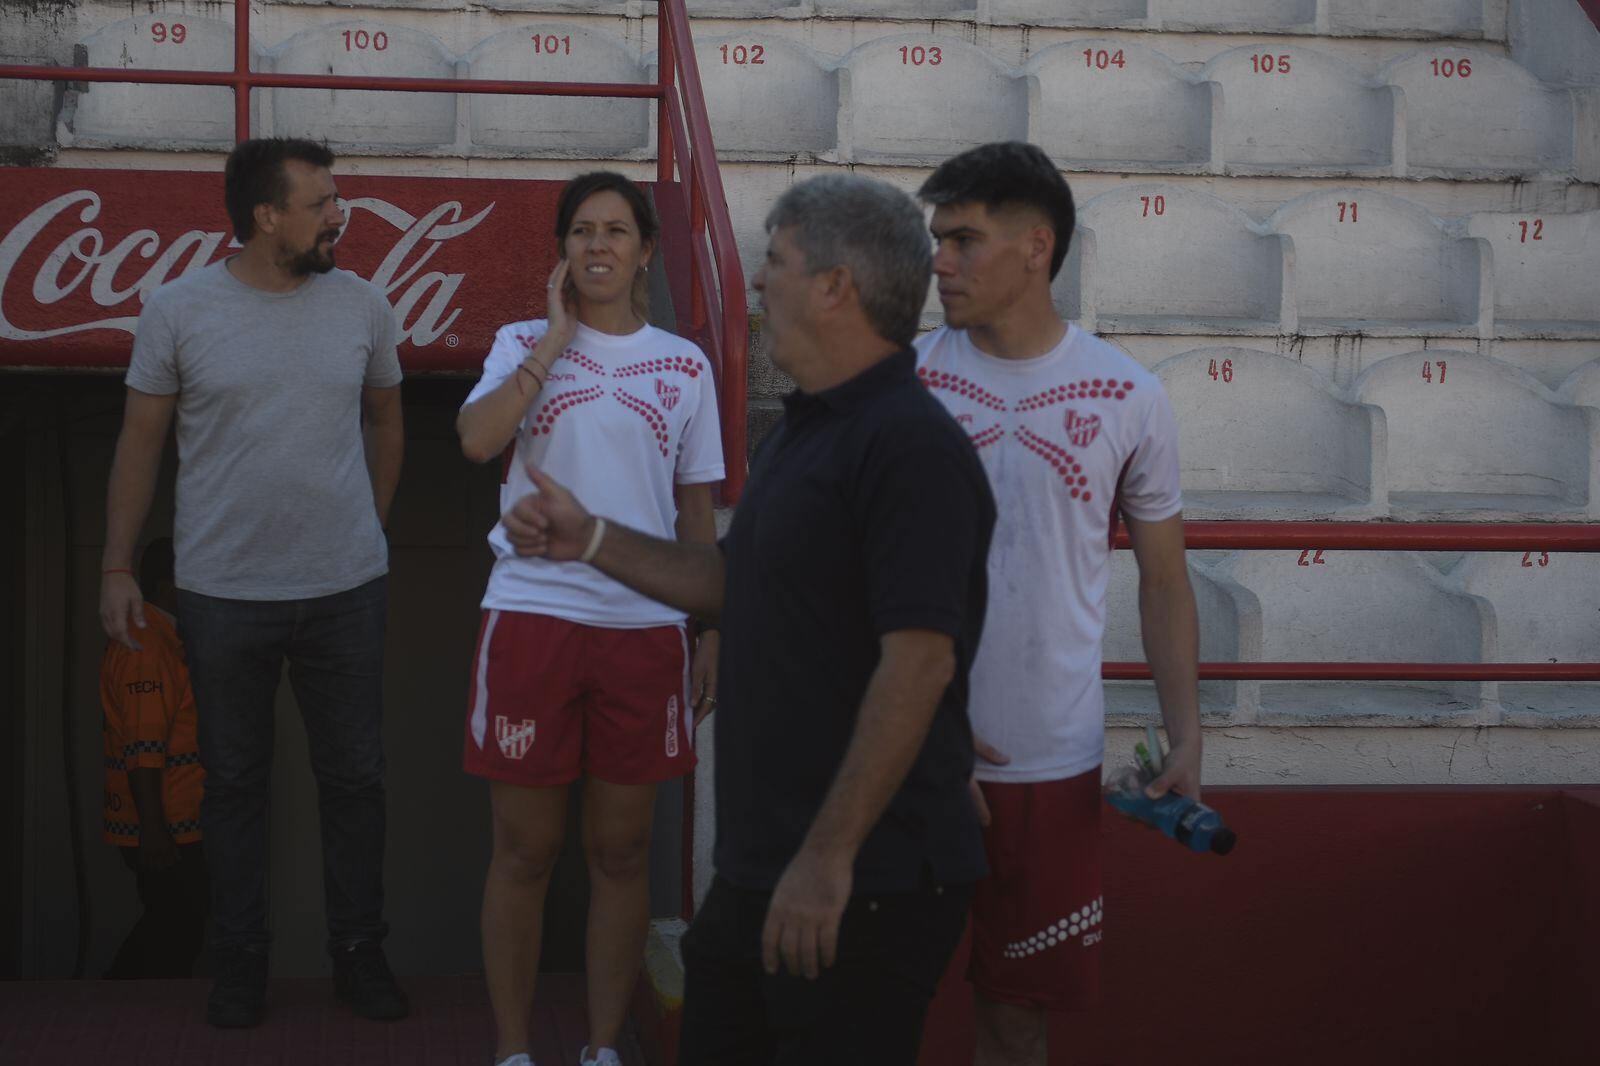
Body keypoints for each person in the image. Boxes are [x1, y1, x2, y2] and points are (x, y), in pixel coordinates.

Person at [500, 173, 996, 1066]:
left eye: (776, 262)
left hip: (857, 885)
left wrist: (826, 858)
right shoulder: (802, 435)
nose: (758, 284)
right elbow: (734, 582)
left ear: (836, 286)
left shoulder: (910, 445)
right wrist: (592, 538)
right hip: (761, 876)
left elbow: (918, 666)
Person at [98, 137, 407, 1028]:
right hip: (222, 594)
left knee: (356, 780)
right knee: (232, 785)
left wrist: (368, 526)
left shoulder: (365, 304)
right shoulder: (179, 310)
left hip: (346, 591)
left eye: (336, 197)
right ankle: (239, 968)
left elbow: (388, 419)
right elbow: (140, 445)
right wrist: (117, 566)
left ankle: (359, 955)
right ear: (265, 216)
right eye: (322, 202)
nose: (339, 215)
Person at [914, 141, 1204, 1066]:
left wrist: (1185, 729)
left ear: (1037, 247)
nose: (939, 262)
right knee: (864, 1011)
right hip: (907, 753)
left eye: (963, 239)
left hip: (1051, 769)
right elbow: (843, 577)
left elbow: (1164, 579)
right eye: (936, 239)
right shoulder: (903, 379)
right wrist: (923, 727)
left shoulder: (1130, 394)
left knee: (1014, 1016)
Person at [455, 171, 725, 1066]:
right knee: (524, 851)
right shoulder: (521, 340)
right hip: (531, 615)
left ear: (647, 249)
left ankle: (604, 1049)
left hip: (645, 627)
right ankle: (513, 1052)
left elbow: (695, 514)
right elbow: (476, 440)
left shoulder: (684, 364)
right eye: (580, 231)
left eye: (616, 230)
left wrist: (708, 628)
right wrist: (553, 346)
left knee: (621, 852)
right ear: (563, 250)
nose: (597, 246)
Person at [100, 536, 209, 979]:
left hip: (176, 821)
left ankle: (134, 1020)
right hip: (164, 826)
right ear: (168, 587)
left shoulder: (166, 638)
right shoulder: (149, 645)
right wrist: (153, 829)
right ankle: (122, 1013)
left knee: (178, 925)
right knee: (174, 927)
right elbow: (143, 749)